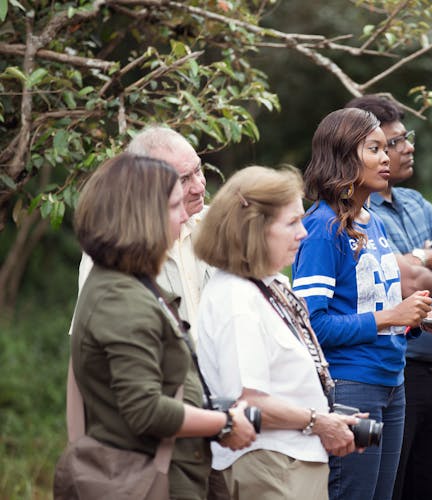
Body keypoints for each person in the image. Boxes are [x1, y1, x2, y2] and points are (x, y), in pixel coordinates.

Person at [292, 108, 432, 500]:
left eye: (387, 149)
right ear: (344, 155)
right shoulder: (321, 227)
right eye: (375, 149)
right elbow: (311, 324)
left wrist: (419, 319)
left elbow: (375, 308)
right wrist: (392, 315)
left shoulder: (373, 222)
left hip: (392, 382)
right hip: (351, 386)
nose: (386, 158)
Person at [68, 154, 256, 499]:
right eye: (174, 207)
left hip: (174, 465)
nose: (186, 216)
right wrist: (225, 423)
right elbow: (145, 410)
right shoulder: (119, 298)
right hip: (149, 476)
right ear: (142, 217)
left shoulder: (130, 281)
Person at [194, 165, 359, 499]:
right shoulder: (236, 297)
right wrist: (320, 422)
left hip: (289, 460)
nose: (304, 233)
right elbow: (249, 404)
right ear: (254, 230)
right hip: (268, 463)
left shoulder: (269, 286)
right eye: (291, 223)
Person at [346, 94, 432, 500]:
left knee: (426, 488)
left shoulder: (415, 202)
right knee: (390, 487)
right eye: (394, 141)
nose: (407, 148)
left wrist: (421, 256)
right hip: (393, 371)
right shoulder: (357, 213)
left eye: (408, 138)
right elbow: (407, 284)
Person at [75, 126, 211, 341]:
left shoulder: (220, 224)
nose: (199, 187)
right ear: (144, 185)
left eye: (198, 170)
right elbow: (94, 343)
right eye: (183, 180)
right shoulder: (113, 249)